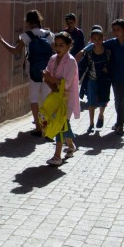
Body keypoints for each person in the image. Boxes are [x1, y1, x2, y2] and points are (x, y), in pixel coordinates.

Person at [0, 10, 54, 136]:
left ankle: (38, 127)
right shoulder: (49, 34)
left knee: (34, 99)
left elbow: (15, 51)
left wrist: (1, 41)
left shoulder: (26, 36)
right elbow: (55, 52)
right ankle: (47, 126)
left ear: (28, 22)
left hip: (33, 71)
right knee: (46, 99)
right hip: (47, 71)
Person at [42, 32, 79, 165]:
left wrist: (51, 79)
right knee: (62, 123)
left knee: (60, 123)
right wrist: (47, 77)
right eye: (56, 45)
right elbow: (48, 75)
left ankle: (57, 155)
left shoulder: (71, 61)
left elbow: (67, 83)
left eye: (61, 45)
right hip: (55, 95)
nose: (58, 48)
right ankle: (70, 145)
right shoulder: (53, 59)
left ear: (69, 46)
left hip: (67, 97)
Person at [83, 28, 112, 132]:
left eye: (99, 38)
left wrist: (107, 69)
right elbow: (84, 65)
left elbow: (112, 64)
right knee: (91, 102)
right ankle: (91, 123)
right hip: (92, 79)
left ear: (103, 38)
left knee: (103, 100)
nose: (97, 41)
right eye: (94, 39)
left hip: (104, 80)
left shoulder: (108, 51)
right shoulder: (89, 52)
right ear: (91, 40)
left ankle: (101, 115)